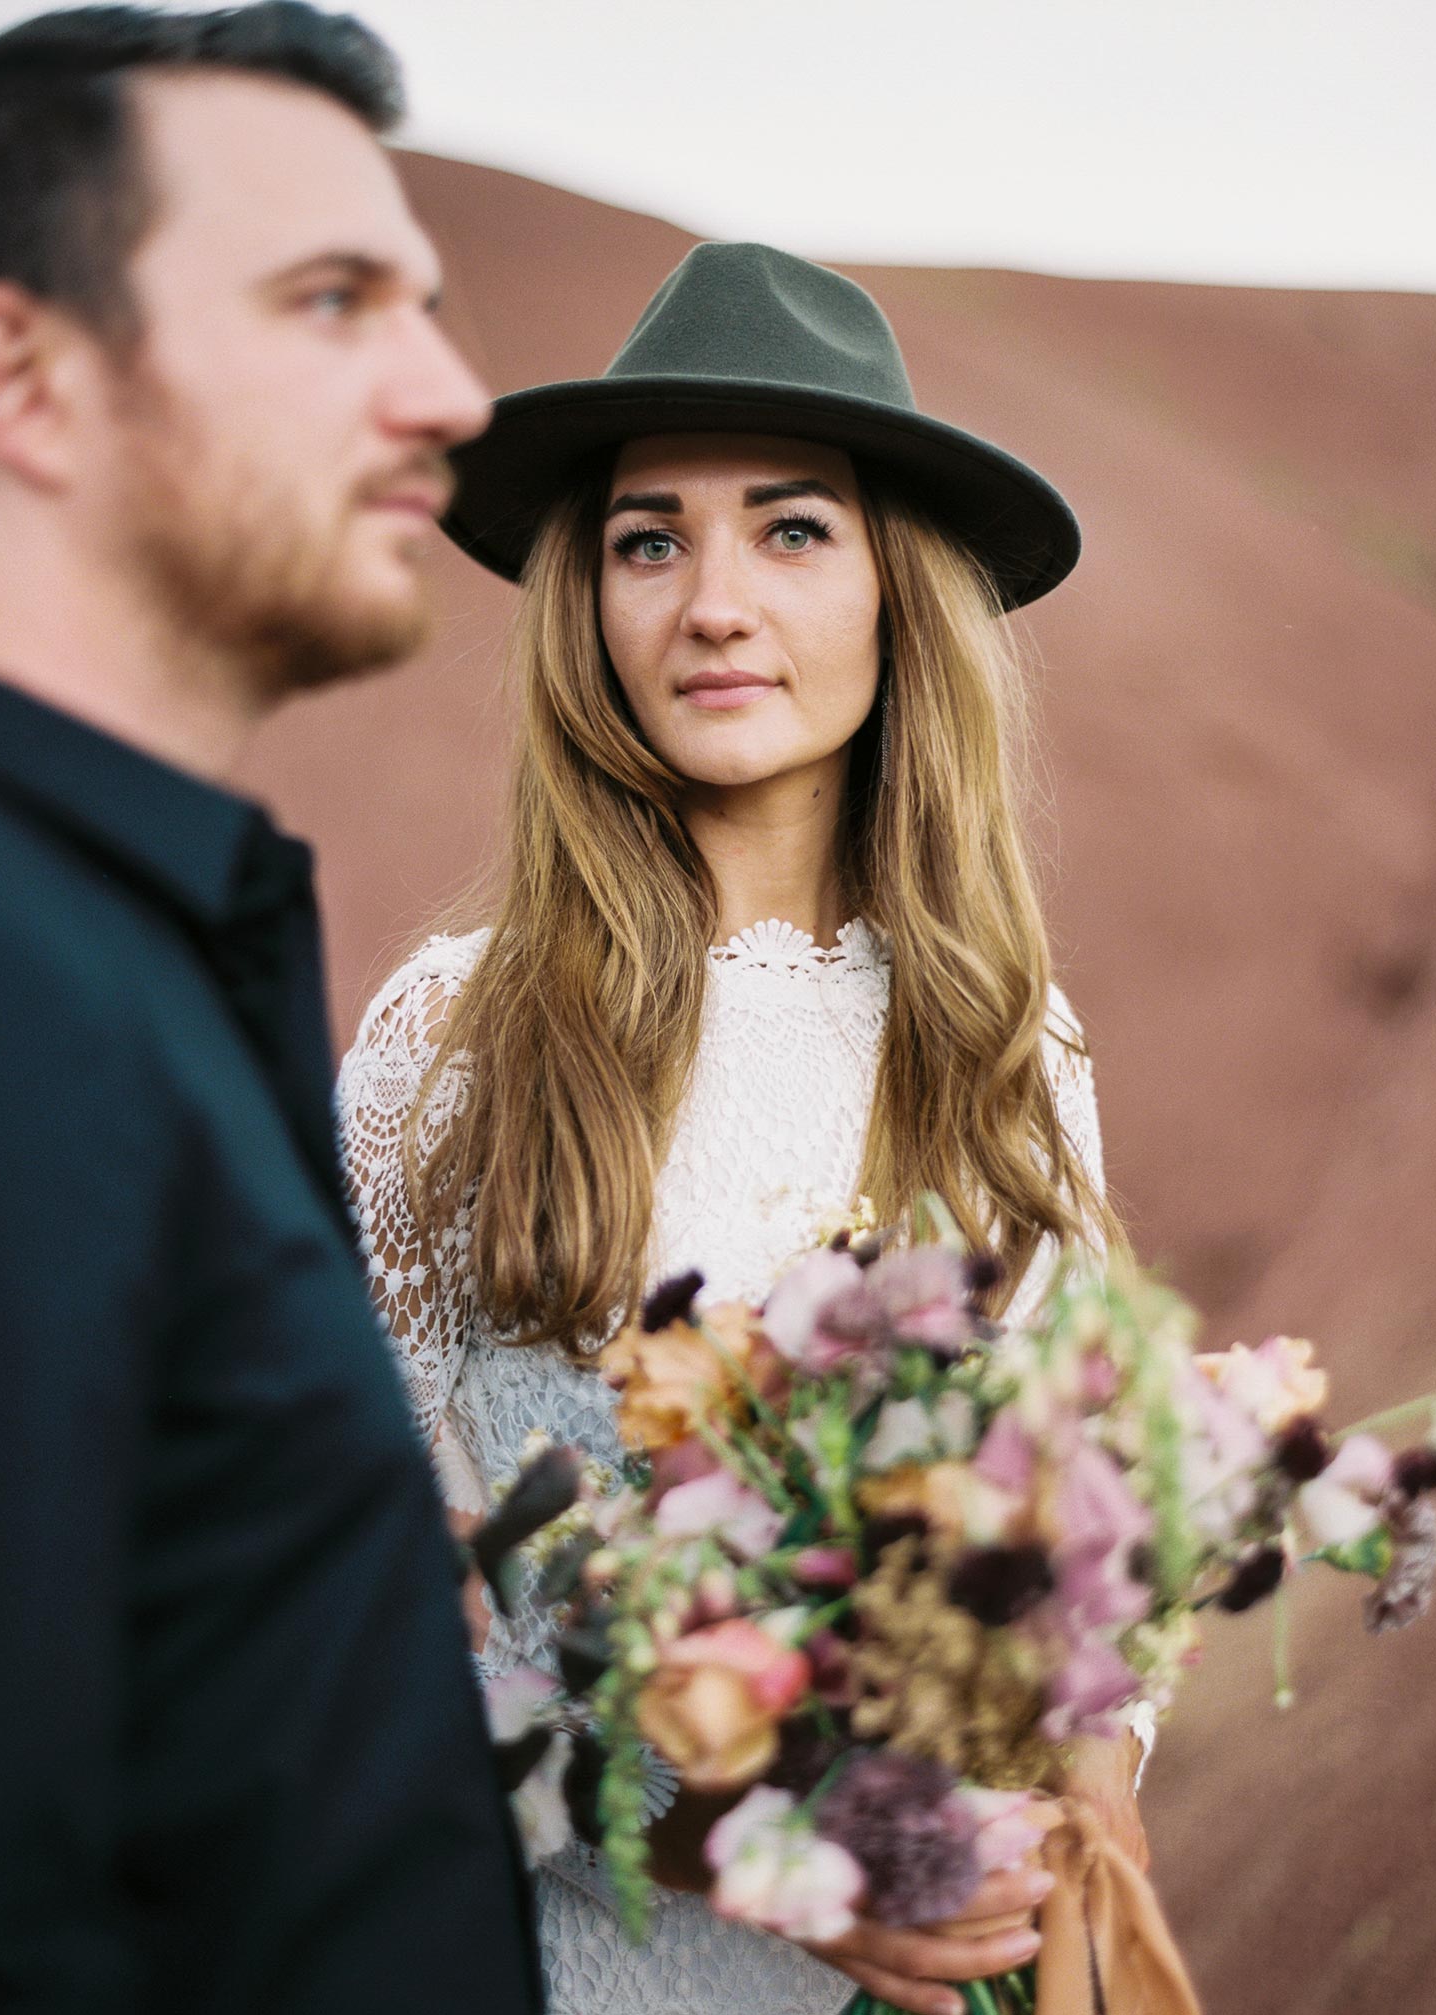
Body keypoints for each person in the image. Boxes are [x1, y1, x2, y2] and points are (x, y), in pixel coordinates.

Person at [339, 241, 1142, 2015]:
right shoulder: (449, 1040)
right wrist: (763, 1863)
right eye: (648, 539)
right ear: (591, 604)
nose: (711, 603)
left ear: (894, 592)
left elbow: (1093, 1568)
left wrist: (1076, 1819)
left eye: (791, 531)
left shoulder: (1013, 1046)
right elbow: (366, 1626)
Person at [0, 6, 543, 2010]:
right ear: (24, 375)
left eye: (429, 304)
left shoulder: (145, 949)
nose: (450, 395)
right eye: (334, 303)